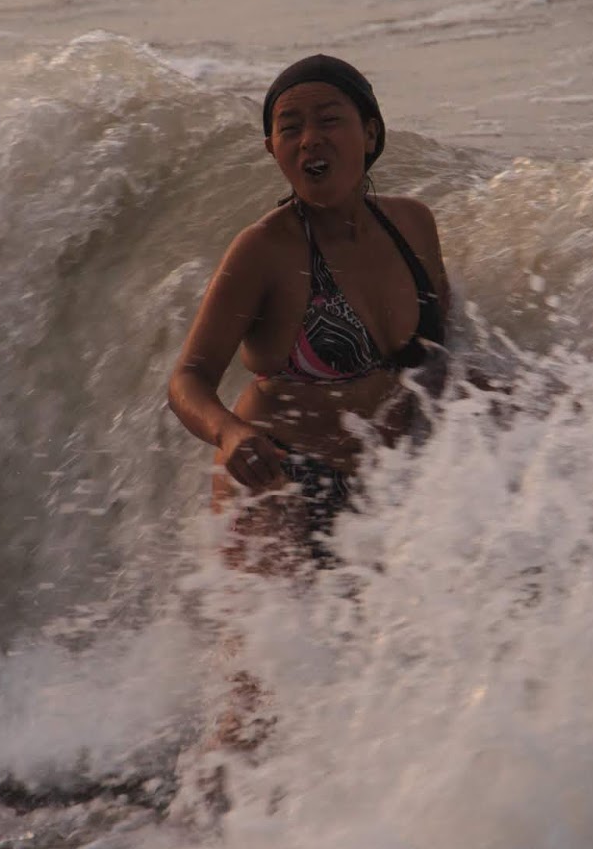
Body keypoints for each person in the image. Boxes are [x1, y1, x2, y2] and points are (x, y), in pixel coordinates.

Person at [168, 53, 450, 573]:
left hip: (384, 486)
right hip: (277, 480)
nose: (310, 139)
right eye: (290, 128)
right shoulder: (264, 250)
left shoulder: (413, 225)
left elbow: (439, 357)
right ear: (272, 148)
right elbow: (188, 378)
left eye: (329, 120)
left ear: (370, 133)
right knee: (264, 631)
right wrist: (230, 433)